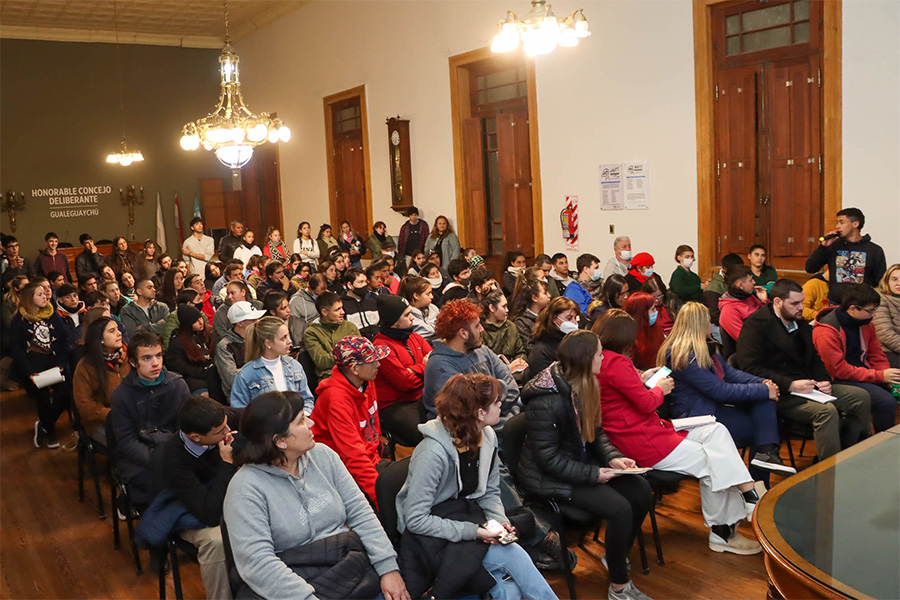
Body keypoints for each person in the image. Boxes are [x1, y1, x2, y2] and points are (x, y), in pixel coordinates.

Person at [591, 317, 763, 559]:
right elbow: (646, 402)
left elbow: (621, 390)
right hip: (642, 438)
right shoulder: (616, 361)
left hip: (647, 430)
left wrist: (642, 379)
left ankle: (747, 496)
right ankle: (725, 530)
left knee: (716, 431)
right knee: (713, 461)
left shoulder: (606, 360)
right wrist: (660, 388)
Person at [222, 391, 409, 600]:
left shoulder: (323, 455)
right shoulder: (245, 488)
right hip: (292, 585)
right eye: (302, 421)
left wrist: (387, 567)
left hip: (347, 567)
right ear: (280, 441)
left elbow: (361, 513)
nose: (311, 424)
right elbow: (257, 563)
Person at [518, 331, 654, 598]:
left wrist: (612, 457)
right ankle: (619, 586)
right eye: (599, 353)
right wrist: (593, 474)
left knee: (640, 490)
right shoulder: (546, 400)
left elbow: (596, 433)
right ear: (584, 359)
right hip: (549, 479)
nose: (603, 357)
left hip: (575, 466)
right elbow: (548, 459)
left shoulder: (586, 383)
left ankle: (615, 556)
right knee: (619, 509)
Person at [398, 373, 556, 600]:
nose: (501, 404)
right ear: (480, 413)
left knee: (507, 590)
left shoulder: (486, 436)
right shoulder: (431, 453)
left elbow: (489, 491)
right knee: (513, 555)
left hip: (464, 517)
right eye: (496, 402)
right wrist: (475, 532)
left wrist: (499, 522)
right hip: (430, 536)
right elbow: (415, 520)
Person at [735, 279, 873, 462]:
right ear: (777, 302)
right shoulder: (756, 325)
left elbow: (816, 358)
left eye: (801, 302)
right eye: (794, 303)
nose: (801, 307)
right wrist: (790, 385)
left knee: (860, 397)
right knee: (826, 412)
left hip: (808, 386)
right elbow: (750, 368)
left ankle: (848, 454)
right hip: (780, 391)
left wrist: (824, 380)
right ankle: (829, 468)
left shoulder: (798, 322)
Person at [657, 302, 795, 478]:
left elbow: (731, 373)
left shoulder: (705, 348)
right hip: (697, 416)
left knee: (764, 403)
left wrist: (765, 383)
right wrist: (762, 389)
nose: (711, 326)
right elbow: (719, 390)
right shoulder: (683, 356)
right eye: (708, 322)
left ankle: (765, 459)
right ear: (699, 325)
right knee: (760, 429)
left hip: (714, 407)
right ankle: (761, 474)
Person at [158, 396, 237, 600]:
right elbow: (209, 514)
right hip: (190, 512)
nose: (227, 432)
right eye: (220, 432)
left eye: (226, 425)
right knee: (216, 541)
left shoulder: (220, 421)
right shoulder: (174, 458)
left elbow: (259, 414)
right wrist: (227, 463)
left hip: (227, 498)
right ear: (195, 437)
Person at [109, 330, 189, 508]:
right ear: (132, 362)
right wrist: (160, 460)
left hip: (175, 451)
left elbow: (187, 428)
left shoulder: (177, 385)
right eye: (147, 358)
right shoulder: (121, 395)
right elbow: (127, 442)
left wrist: (176, 456)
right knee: (159, 490)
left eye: (158, 356)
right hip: (140, 460)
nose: (155, 363)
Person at [310, 335, 389, 504]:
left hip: (371, 459)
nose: (378, 365)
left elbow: (371, 427)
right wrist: (381, 498)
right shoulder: (336, 400)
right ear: (354, 368)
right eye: (372, 361)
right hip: (339, 472)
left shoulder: (367, 381)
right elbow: (353, 457)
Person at [812, 283, 900, 433]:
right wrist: (879, 376)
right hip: (835, 380)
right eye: (870, 311)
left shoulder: (865, 322)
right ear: (853, 308)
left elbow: (876, 354)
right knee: (886, 402)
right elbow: (838, 370)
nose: (874, 315)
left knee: (894, 390)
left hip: (861, 373)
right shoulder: (827, 331)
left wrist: (887, 376)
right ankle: (881, 444)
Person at [422, 299, 520, 423]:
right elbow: (470, 410)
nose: (482, 329)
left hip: (505, 418)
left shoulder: (482, 350)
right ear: (463, 333)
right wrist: (499, 390)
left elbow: (512, 385)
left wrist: (494, 398)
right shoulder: (439, 366)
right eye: (477, 325)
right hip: (470, 432)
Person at [9, 281, 72, 449]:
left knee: (65, 393)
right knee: (43, 399)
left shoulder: (53, 315)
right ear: (29, 299)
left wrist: (60, 363)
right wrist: (29, 372)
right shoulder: (18, 321)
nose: (45, 296)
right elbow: (16, 350)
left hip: (55, 362)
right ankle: (51, 432)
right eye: (39, 294)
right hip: (33, 365)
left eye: (45, 293)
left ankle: (43, 424)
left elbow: (64, 342)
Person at [373, 295, 431, 446]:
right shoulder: (382, 348)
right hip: (396, 404)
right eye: (406, 315)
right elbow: (405, 384)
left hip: (422, 396)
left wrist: (413, 371)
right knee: (426, 435)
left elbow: (436, 365)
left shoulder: (415, 337)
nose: (412, 318)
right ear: (393, 321)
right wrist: (425, 367)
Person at [230, 316, 315, 411]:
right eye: (283, 338)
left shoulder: (295, 366)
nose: (289, 341)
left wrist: (304, 415)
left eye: (288, 336)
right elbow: (240, 411)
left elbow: (307, 399)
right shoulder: (246, 375)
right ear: (268, 344)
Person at [73, 316, 129, 445]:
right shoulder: (86, 366)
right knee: (126, 443)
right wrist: (111, 414)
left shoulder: (128, 357)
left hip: (131, 414)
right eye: (112, 331)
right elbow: (84, 405)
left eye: (117, 329)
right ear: (100, 340)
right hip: (100, 421)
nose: (119, 333)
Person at [806, 207, 887, 291]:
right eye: (837, 223)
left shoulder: (874, 250)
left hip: (862, 302)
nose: (837, 226)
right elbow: (810, 268)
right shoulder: (834, 246)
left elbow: (881, 282)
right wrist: (822, 247)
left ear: (855, 224)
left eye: (841, 223)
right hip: (836, 302)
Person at [303, 291, 361, 380]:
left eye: (342, 308)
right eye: (337, 309)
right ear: (324, 312)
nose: (343, 312)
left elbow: (362, 352)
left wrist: (338, 355)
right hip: (330, 378)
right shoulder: (312, 332)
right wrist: (348, 353)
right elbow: (322, 362)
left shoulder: (350, 327)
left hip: (355, 374)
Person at [215, 300, 265, 399]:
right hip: (242, 398)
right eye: (253, 319)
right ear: (240, 323)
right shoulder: (225, 346)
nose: (258, 321)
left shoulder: (261, 339)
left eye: (257, 318)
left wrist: (241, 370)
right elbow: (232, 380)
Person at [165, 304, 214, 394]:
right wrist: (204, 372)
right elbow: (180, 367)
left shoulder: (209, 332)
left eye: (200, 318)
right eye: (195, 321)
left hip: (212, 374)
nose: (201, 322)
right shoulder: (178, 341)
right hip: (192, 379)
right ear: (188, 324)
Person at [527, 296, 580, 378]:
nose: (574, 322)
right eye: (569, 318)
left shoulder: (574, 343)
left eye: (575, 318)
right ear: (554, 319)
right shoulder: (541, 351)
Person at [718, 265, 767, 348]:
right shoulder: (729, 310)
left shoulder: (749, 297)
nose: (754, 282)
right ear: (740, 285)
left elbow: (767, 318)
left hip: (764, 340)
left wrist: (764, 301)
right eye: (750, 280)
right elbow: (747, 340)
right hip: (750, 352)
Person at [480, 289, 528, 374]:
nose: (507, 310)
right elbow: (484, 365)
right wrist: (508, 368)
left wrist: (520, 362)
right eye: (504, 306)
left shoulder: (510, 326)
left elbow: (520, 352)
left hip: (518, 372)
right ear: (492, 308)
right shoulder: (481, 331)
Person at [622, 292, 664, 370]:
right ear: (642, 314)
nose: (656, 312)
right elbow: (629, 368)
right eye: (653, 309)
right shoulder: (627, 339)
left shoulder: (654, 328)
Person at [510, 277, 551, 355]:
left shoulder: (549, 316)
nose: (549, 295)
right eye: (545, 293)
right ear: (534, 298)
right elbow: (530, 349)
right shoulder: (521, 322)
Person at [288, 273, 326, 347]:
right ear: (309, 288)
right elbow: (296, 331)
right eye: (317, 294)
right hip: (308, 341)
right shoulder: (296, 302)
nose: (321, 297)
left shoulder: (327, 295)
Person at [340, 267, 379, 340]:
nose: (364, 285)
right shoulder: (341, 304)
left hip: (377, 341)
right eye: (360, 282)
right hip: (356, 344)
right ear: (350, 285)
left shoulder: (374, 298)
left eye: (365, 281)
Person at [874, 264, 900, 367]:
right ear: (887, 281)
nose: (898, 283)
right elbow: (885, 334)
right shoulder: (879, 299)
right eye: (894, 279)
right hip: (887, 351)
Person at [398, 275, 437, 342]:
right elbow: (429, 332)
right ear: (416, 296)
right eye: (428, 294)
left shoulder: (433, 307)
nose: (432, 297)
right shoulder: (405, 314)